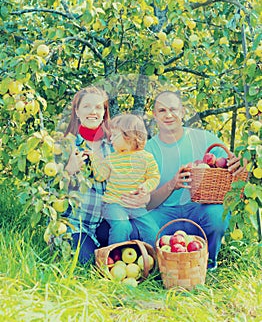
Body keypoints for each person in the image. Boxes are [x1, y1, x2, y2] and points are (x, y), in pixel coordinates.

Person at [145, 90, 246, 270]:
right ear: (154, 115)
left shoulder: (202, 138)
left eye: (173, 109)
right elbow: (147, 203)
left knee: (217, 216)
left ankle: (208, 264)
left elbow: (228, 162)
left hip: (199, 209)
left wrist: (239, 162)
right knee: (144, 228)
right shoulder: (148, 150)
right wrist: (171, 185)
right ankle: (162, 268)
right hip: (164, 213)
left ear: (182, 112)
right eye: (161, 111)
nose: (168, 115)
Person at [63, 87, 148, 264]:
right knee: (88, 263)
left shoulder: (113, 146)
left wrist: (141, 194)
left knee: (133, 239)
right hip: (76, 224)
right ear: (77, 111)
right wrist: (67, 172)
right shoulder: (66, 145)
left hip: (105, 220)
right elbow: (47, 193)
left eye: (98, 107)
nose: (93, 112)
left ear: (104, 113)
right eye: (86, 106)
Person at [89, 113, 160, 248]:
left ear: (129, 137)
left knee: (152, 229)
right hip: (113, 204)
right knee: (122, 226)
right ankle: (115, 259)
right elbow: (100, 176)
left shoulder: (146, 157)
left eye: (115, 135)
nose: (111, 138)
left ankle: (154, 260)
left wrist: (146, 186)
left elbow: (154, 176)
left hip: (136, 206)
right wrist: (94, 158)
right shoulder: (112, 158)